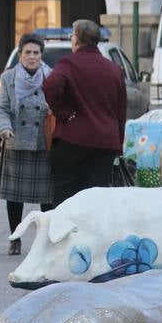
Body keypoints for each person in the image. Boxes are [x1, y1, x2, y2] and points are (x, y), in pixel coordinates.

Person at [43, 19, 127, 207]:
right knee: (97, 195)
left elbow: (50, 86)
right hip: (106, 142)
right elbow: (121, 110)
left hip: (74, 139)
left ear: (77, 40)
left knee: (65, 193)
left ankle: (66, 234)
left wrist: (64, 113)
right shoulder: (113, 69)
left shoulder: (68, 63)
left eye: (72, 34)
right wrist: (118, 143)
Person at [0, 33, 54, 256]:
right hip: (16, 141)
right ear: (20, 55)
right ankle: (15, 238)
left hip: (42, 143)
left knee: (47, 198)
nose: (32, 56)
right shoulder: (8, 78)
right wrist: (4, 128)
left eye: (36, 53)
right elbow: (1, 108)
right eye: (27, 52)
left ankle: (45, 239)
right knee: (15, 196)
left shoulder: (51, 77)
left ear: (41, 55)